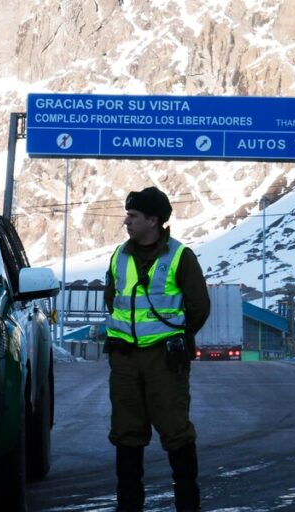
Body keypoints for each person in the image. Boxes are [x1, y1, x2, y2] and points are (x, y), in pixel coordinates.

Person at [104, 186, 210, 512]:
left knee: (176, 431)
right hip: (124, 359)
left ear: (153, 220)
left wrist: (176, 335)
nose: (127, 222)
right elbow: (112, 299)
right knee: (126, 433)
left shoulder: (181, 257)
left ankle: (188, 506)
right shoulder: (119, 256)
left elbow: (199, 307)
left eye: (133, 216)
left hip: (164, 360)